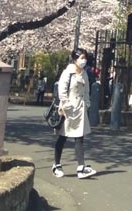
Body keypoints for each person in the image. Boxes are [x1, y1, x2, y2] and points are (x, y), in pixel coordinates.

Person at [52, 48, 97, 179]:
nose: (84, 60)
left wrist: (87, 103)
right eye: (81, 58)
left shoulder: (84, 73)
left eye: (85, 58)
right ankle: (56, 164)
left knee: (79, 137)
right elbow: (62, 90)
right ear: (75, 59)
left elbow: (87, 90)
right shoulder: (68, 73)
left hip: (80, 108)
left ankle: (81, 167)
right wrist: (66, 104)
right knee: (63, 136)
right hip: (68, 108)